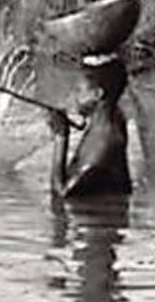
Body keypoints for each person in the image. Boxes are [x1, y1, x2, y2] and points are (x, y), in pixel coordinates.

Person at [45, 54, 133, 198]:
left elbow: (61, 196)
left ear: (98, 94)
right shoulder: (112, 118)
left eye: (79, 90)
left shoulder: (103, 146)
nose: (73, 95)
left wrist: (60, 137)